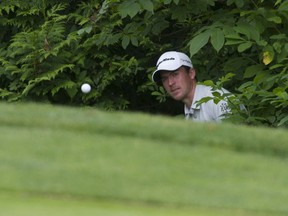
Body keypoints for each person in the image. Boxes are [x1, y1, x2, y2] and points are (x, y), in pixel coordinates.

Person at [152, 51, 230, 122]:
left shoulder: (218, 100)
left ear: (191, 73)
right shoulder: (189, 112)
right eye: (165, 78)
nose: (170, 83)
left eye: (175, 74)